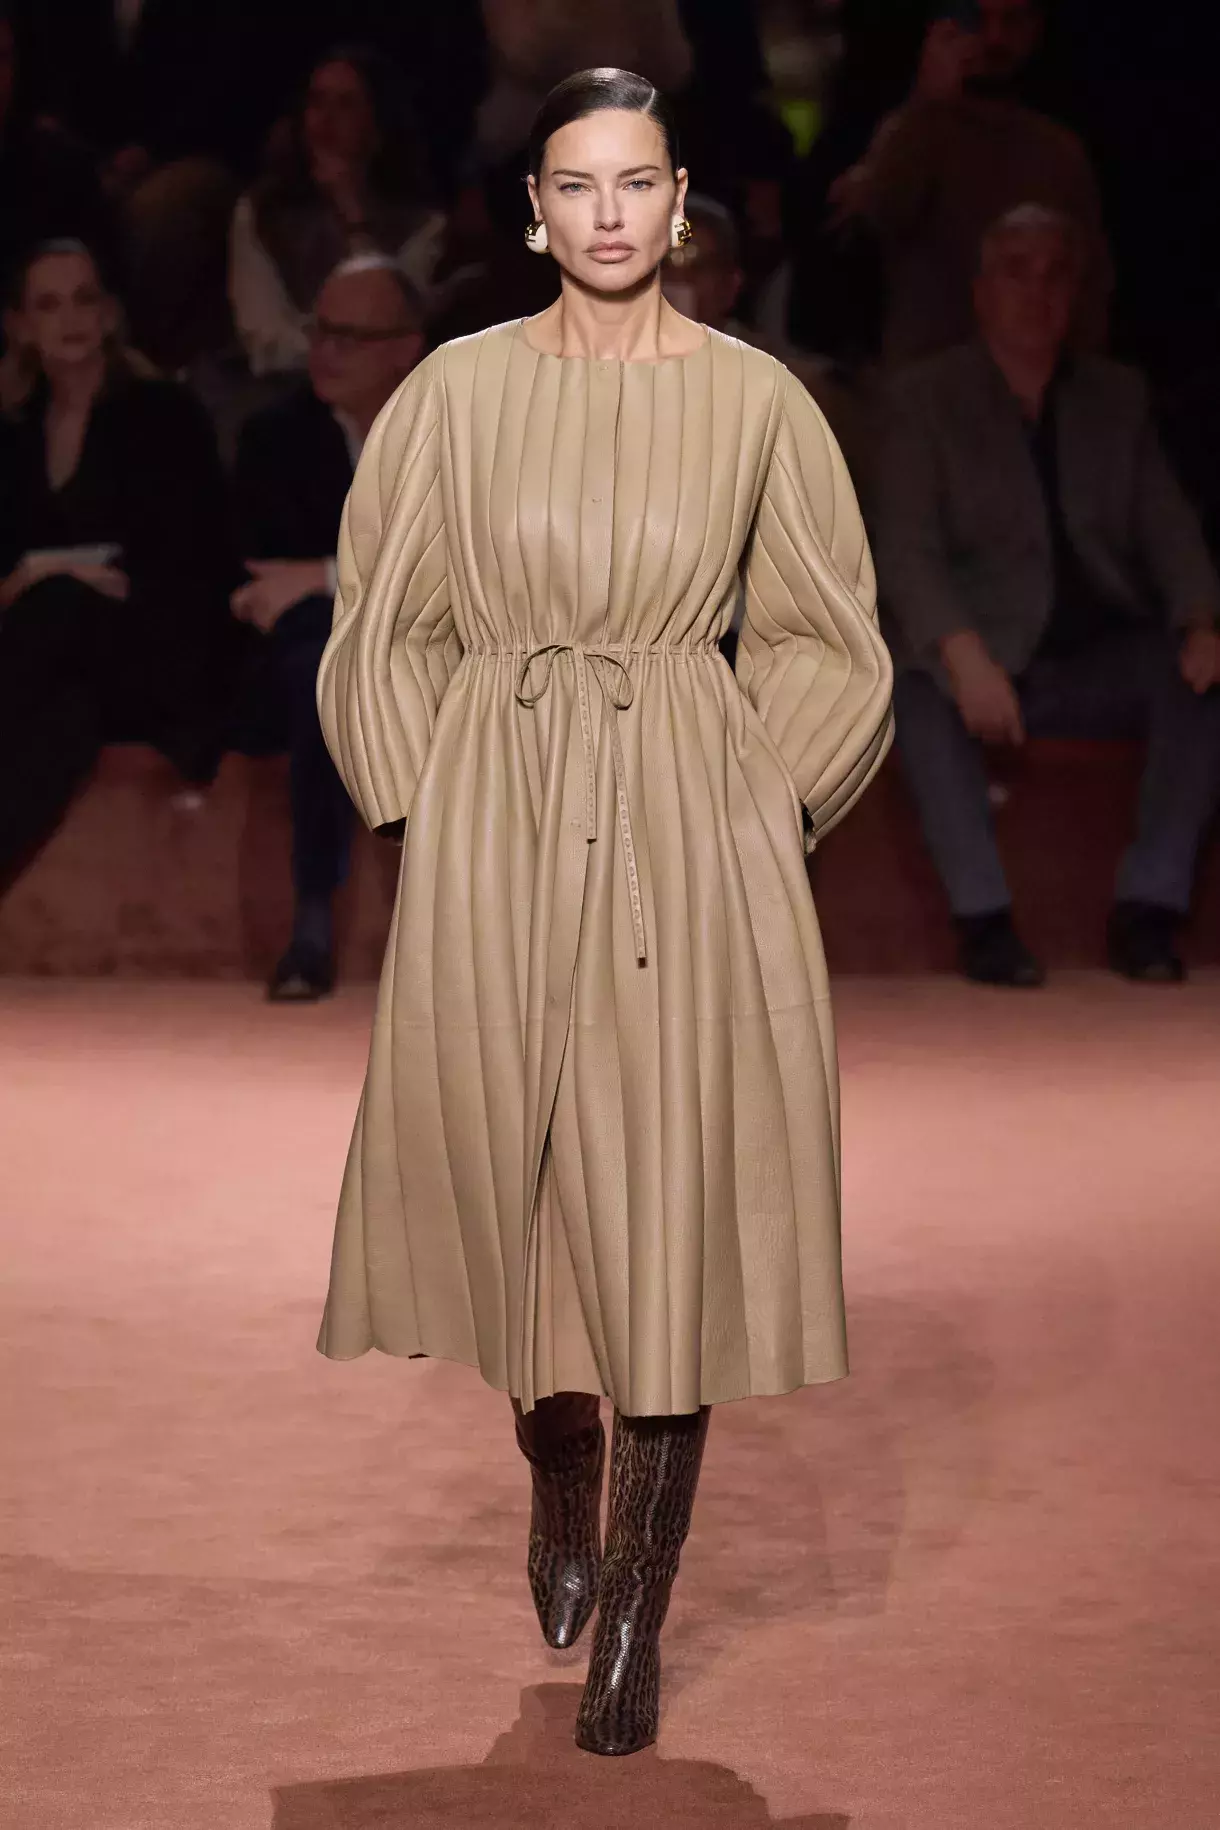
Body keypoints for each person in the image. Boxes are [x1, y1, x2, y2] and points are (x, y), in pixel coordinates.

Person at [313, 68, 892, 1757]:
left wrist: (761, 800)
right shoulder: (453, 396)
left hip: (685, 833)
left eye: (638, 181)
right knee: (524, 1188)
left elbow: (827, 632)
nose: (611, 212)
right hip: (500, 825)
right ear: (534, 213)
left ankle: (638, 1605)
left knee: (667, 1210)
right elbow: (385, 616)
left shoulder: (759, 404)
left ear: (683, 199)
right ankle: (557, 1456)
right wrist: (428, 801)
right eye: (578, 185)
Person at [876, 205, 1220, 986]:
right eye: (1017, 272)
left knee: (1199, 679)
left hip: (1093, 654)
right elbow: (904, 549)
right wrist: (963, 655)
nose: (1038, 292)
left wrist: (1202, 619)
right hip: (981, 650)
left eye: (1056, 275)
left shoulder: (1116, 396)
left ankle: (1150, 907)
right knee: (907, 685)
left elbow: (1169, 528)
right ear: (980, 291)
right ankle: (983, 919)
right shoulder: (925, 398)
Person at [0, 240, 233, 894]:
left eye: (84, 299)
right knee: (64, 722)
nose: (70, 318)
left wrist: (53, 585)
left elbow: (195, 567)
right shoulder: (10, 432)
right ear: (20, 326)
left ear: (108, 315)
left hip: (152, 652)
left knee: (59, 608)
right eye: (49, 305)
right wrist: (28, 580)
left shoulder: (165, 416)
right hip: (54, 671)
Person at [230, 255, 425, 1001]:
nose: (325, 352)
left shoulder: (459, 428)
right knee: (324, 669)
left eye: (351, 337)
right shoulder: (274, 437)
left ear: (405, 347)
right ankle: (312, 919)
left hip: (444, 641)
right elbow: (261, 575)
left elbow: (470, 564)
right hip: (319, 654)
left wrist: (323, 575)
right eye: (320, 332)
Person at [830, 0, 1108, 366]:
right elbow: (878, 220)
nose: (994, 38)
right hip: (926, 373)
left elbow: (1090, 279)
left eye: (1011, 21)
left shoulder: (1058, 151)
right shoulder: (911, 131)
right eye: (979, 20)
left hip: (1034, 376)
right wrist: (925, 103)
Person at [229, 44, 444, 378]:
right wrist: (342, 352)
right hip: (283, 390)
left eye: (345, 105)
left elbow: (386, 329)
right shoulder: (261, 213)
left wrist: (354, 216)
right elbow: (267, 344)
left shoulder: (423, 227)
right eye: (317, 102)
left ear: (378, 126)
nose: (325, 120)